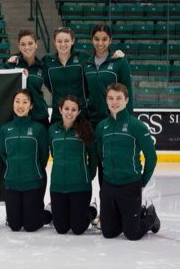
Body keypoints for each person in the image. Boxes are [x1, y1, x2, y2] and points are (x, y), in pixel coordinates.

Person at [95, 83, 160, 240]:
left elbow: (151, 157)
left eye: (119, 98)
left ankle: (150, 216)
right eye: (111, 98)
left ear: (126, 100)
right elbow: (100, 157)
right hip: (109, 185)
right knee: (108, 233)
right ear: (106, 100)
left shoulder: (136, 125)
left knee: (132, 234)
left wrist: (142, 181)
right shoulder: (102, 127)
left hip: (130, 184)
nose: (114, 102)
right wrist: (103, 185)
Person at [84, 24, 133, 188]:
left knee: (110, 161)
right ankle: (94, 204)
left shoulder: (119, 62)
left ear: (110, 40)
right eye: (97, 39)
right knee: (94, 161)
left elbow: (128, 94)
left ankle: (110, 207)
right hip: (91, 121)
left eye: (104, 39)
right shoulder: (86, 64)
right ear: (92, 40)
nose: (100, 43)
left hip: (113, 120)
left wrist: (127, 120)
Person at [0, 89, 52, 232]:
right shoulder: (5, 129)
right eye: (17, 102)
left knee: (31, 226)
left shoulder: (38, 129)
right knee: (14, 226)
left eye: (25, 102)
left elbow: (43, 156)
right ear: (12, 104)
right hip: (12, 183)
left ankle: (48, 212)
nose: (20, 106)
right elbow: (3, 154)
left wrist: (32, 171)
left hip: (33, 183)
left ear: (31, 106)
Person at [48, 95, 99, 235]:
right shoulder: (52, 130)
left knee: (78, 228)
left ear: (78, 112)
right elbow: (53, 153)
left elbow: (93, 156)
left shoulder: (84, 130)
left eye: (73, 109)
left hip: (80, 186)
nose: (69, 112)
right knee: (61, 228)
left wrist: (89, 175)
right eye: (66, 108)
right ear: (60, 110)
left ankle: (92, 209)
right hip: (58, 186)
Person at [41, 27, 90, 125]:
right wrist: (18, 57)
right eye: (59, 41)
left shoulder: (83, 57)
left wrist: (115, 55)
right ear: (54, 42)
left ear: (72, 41)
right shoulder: (47, 60)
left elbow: (99, 62)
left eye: (66, 41)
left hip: (80, 113)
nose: (63, 44)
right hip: (58, 114)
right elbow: (32, 64)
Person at [5, 30, 50, 129]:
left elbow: (53, 88)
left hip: (39, 116)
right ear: (19, 46)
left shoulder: (42, 67)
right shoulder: (12, 65)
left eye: (30, 43)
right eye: (23, 44)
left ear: (36, 44)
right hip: (18, 117)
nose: (27, 47)